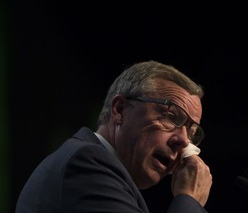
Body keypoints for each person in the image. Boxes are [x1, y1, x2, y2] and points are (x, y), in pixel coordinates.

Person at [15, 60, 213, 213]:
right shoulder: (87, 163)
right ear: (119, 110)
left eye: (192, 133)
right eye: (171, 117)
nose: (183, 141)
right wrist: (189, 199)